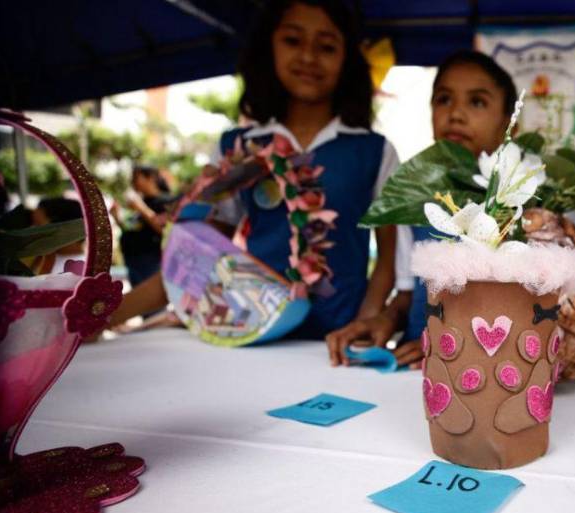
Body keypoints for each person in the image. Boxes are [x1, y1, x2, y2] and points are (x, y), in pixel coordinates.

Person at [107, 0, 403, 342]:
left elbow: (388, 261)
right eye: (293, 40)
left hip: (338, 346)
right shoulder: (237, 148)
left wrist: (363, 325)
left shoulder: (374, 151)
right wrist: (105, 316)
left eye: (326, 46)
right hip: (253, 341)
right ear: (269, 47)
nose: (308, 57)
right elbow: (196, 259)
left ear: (347, 58)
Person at [326, 50, 518, 368]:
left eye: (477, 102)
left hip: (490, 372)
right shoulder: (414, 196)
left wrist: (452, 343)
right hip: (414, 367)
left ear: (510, 124)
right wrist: (385, 319)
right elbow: (407, 294)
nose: (455, 113)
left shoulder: (523, 204)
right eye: (443, 99)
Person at [111, 165, 172, 287]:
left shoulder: (165, 201)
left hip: (150, 259)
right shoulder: (142, 201)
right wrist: (117, 217)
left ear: (150, 178)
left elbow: (165, 230)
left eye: (136, 178)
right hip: (132, 259)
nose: (133, 183)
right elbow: (133, 226)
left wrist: (140, 208)